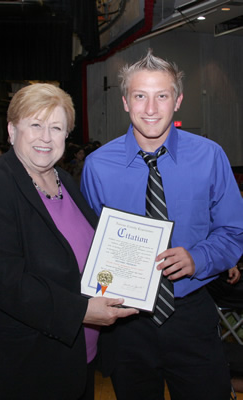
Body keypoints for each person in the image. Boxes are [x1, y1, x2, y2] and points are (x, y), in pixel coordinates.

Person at [0, 83, 139, 400]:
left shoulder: (64, 181)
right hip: (21, 368)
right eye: (35, 125)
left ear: (66, 136)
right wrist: (80, 311)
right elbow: (5, 283)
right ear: (13, 130)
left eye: (56, 127)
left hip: (75, 357)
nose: (45, 137)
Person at [81, 49, 243, 400]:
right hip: (124, 323)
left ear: (178, 100)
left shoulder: (210, 156)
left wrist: (198, 258)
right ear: (125, 102)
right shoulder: (97, 167)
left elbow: (234, 230)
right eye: (140, 96)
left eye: (161, 96)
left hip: (191, 313)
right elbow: (89, 244)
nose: (150, 109)